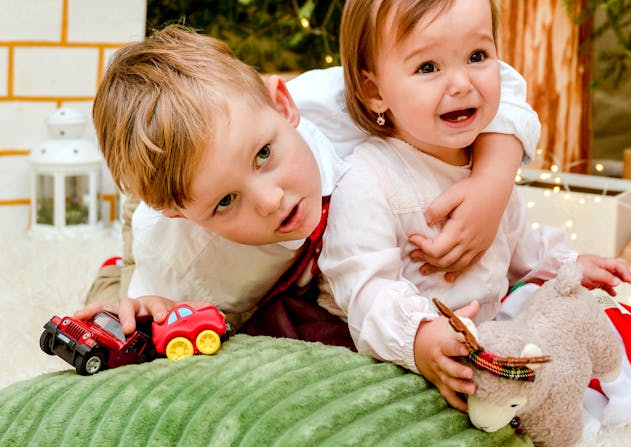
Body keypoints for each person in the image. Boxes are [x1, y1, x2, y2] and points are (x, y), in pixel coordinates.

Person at [317, 0, 631, 426]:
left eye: (477, 56)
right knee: (546, 367)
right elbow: (365, 290)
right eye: (428, 68)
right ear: (373, 89)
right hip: (449, 353)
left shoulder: (482, 162)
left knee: (605, 319)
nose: (462, 83)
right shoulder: (370, 178)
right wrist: (421, 339)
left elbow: (520, 245)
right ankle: (603, 404)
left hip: (502, 323)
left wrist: (568, 265)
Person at [77, 19, 540, 341]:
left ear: (282, 105)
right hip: (164, 248)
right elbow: (142, 313)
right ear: (183, 213)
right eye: (225, 201)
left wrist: (491, 188)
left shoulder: (337, 102)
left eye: (264, 154)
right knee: (120, 288)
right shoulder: (187, 258)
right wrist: (137, 307)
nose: (270, 199)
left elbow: (496, 80)